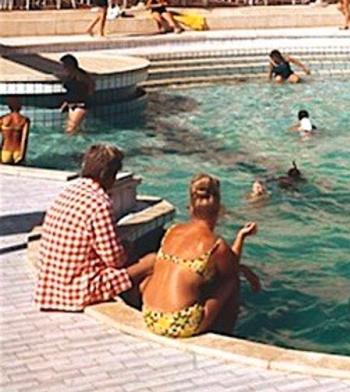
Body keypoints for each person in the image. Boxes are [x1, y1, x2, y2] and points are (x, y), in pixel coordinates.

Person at [35, 144, 155, 312]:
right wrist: (126, 250)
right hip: (76, 290)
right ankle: (141, 306)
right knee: (152, 261)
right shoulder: (99, 204)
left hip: (51, 286)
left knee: (128, 256)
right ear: (108, 175)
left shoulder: (68, 192)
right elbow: (115, 260)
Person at [141, 174, 259, 338]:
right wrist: (241, 238)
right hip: (177, 322)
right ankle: (226, 335)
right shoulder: (216, 245)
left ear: (191, 208)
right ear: (218, 210)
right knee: (232, 281)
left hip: (149, 315)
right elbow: (231, 269)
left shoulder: (173, 230)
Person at [59, 54, 96, 134]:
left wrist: (85, 98)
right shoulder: (70, 75)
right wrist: (66, 102)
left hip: (80, 105)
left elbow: (91, 84)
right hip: (72, 104)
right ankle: (84, 138)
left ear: (70, 65)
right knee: (74, 129)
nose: (63, 68)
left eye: (64, 65)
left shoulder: (79, 75)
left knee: (70, 129)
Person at [1, 96, 30, 165]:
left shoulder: (3, 119)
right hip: (18, 152)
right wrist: (22, 155)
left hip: (5, 151)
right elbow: (24, 139)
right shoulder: (24, 120)